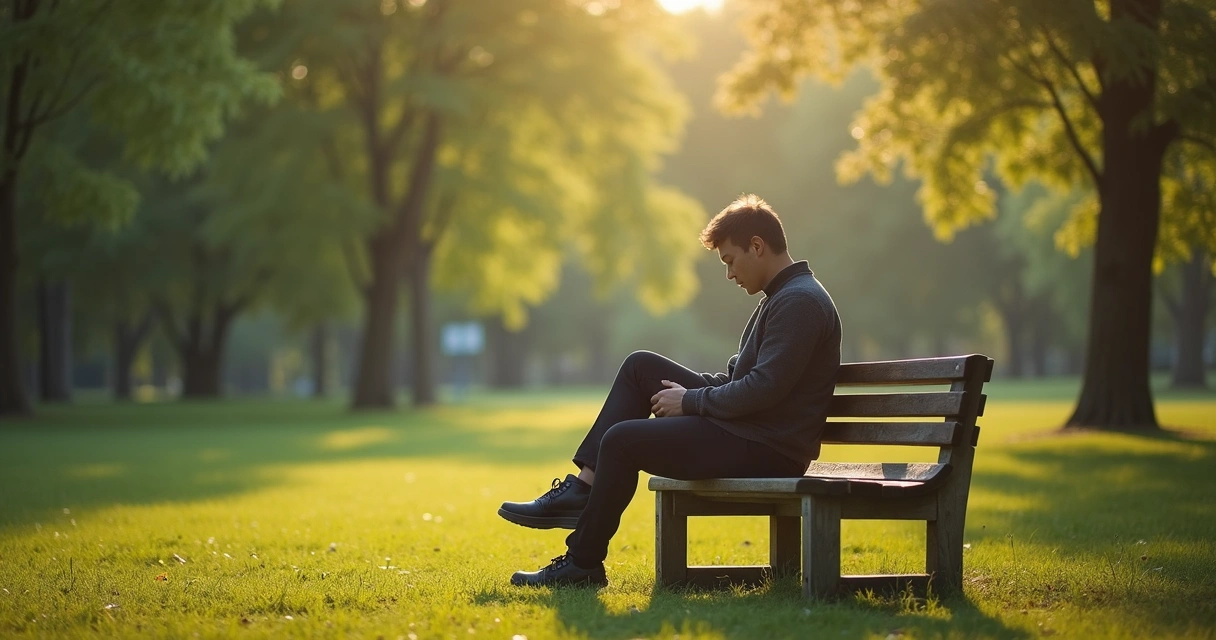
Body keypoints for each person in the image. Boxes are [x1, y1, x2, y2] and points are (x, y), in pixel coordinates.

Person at [499, 194, 842, 587]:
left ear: (758, 246)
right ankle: (582, 489)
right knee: (640, 366)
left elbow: (763, 390)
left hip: (767, 446)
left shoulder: (799, 301)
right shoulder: (781, 297)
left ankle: (583, 563)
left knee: (623, 440)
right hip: (750, 429)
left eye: (730, 260)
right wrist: (690, 395)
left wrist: (690, 401)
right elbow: (739, 382)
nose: (729, 274)